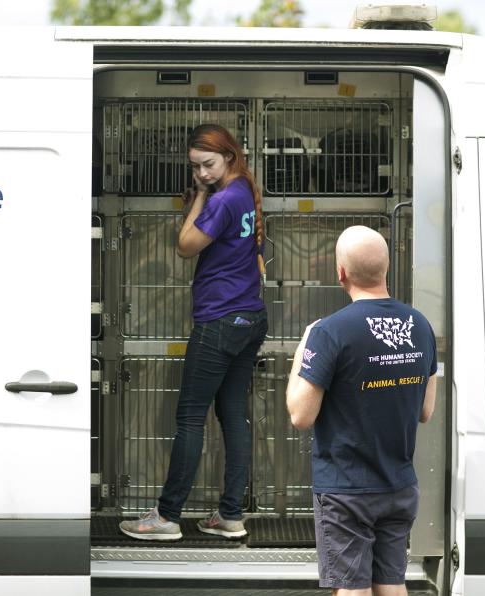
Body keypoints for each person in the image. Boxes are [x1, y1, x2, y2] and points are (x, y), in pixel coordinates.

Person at [119, 123, 268, 541]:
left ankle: (167, 517)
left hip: (219, 321)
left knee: (189, 417)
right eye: (196, 168)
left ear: (229, 157)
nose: (201, 173)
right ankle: (230, 515)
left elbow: (184, 246)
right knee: (233, 416)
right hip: (249, 318)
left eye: (208, 164)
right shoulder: (244, 191)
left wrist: (200, 197)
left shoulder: (221, 198)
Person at [285, 225, 437, 595]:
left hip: (347, 489)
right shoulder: (420, 326)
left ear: (340, 273)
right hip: (399, 484)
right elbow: (426, 411)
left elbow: (300, 416)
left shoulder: (329, 332)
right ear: (386, 269)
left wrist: (302, 352)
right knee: (391, 585)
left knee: (352, 589)